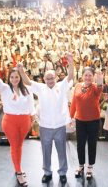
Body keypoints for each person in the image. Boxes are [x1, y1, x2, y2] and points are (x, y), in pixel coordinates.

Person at [20, 53, 74, 185]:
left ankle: (62, 173)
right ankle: (47, 172)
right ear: (44, 79)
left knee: (62, 150)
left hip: (60, 126)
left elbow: (71, 76)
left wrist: (71, 62)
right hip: (45, 126)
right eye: (47, 78)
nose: (50, 80)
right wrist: (21, 70)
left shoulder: (61, 86)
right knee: (46, 151)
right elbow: (27, 82)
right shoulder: (40, 88)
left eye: (52, 78)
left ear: (56, 78)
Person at [0, 59, 35, 187]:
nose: (14, 79)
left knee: (19, 145)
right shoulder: (5, 88)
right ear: (9, 78)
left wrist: (32, 118)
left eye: (16, 76)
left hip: (25, 121)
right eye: (12, 77)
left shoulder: (26, 90)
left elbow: (31, 104)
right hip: (10, 121)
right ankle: (18, 172)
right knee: (14, 146)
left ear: (20, 77)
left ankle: (18, 167)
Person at [70, 66, 103, 180]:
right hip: (80, 121)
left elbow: (100, 88)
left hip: (93, 121)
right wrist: (70, 117)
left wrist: (100, 79)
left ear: (93, 77)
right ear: (82, 76)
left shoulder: (95, 87)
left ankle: (90, 166)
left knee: (92, 144)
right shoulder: (78, 86)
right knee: (80, 144)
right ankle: (81, 165)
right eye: (86, 75)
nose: (88, 77)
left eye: (90, 75)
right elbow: (74, 103)